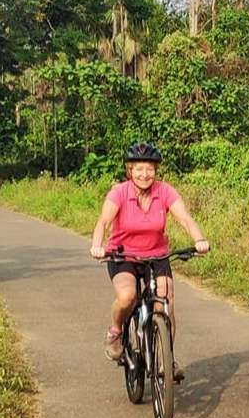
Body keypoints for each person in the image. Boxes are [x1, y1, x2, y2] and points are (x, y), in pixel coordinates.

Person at [89, 142, 209, 379]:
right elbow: (103, 222)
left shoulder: (165, 191)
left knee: (166, 299)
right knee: (127, 296)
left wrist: (199, 239)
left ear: (156, 170)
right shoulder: (119, 193)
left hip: (156, 255)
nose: (145, 174)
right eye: (139, 169)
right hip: (123, 255)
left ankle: (167, 358)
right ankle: (115, 331)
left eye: (150, 169)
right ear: (130, 171)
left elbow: (184, 218)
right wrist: (97, 245)